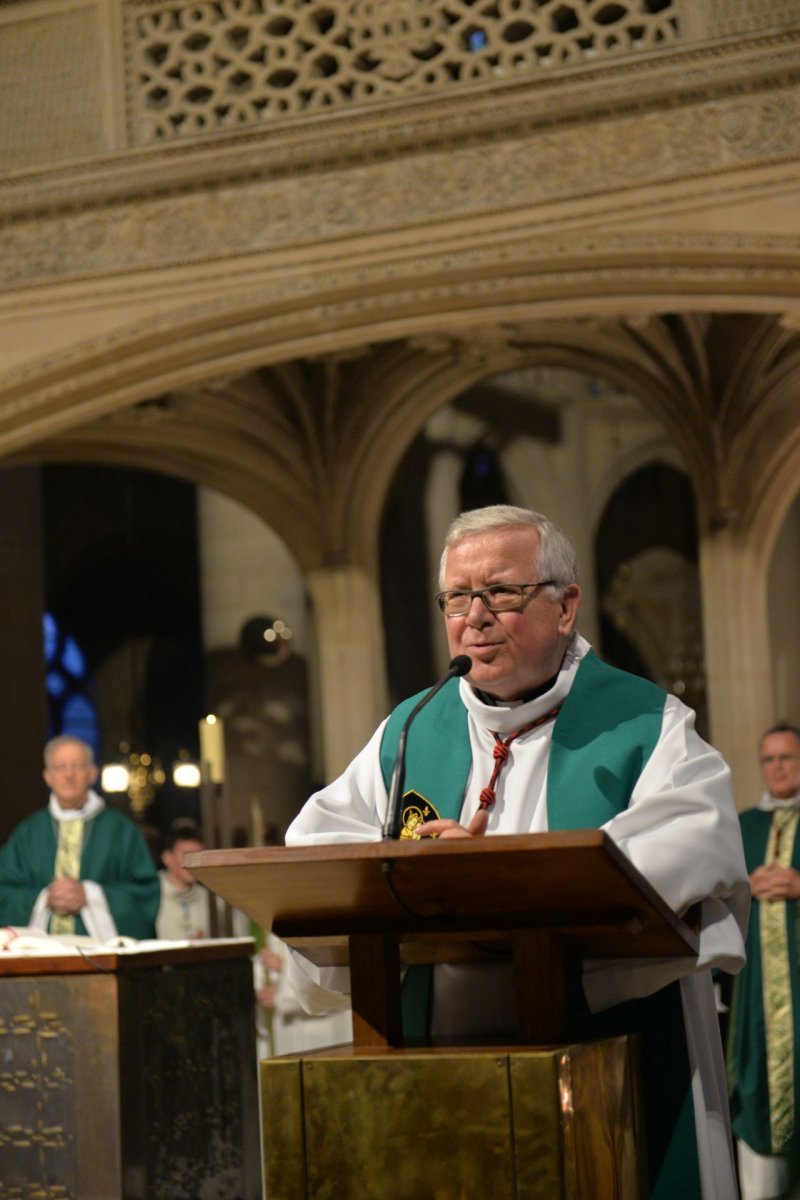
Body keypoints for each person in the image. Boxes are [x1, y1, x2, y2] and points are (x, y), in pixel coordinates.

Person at [285, 504, 750, 1200]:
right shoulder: (412, 727)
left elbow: (692, 841)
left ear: (566, 607)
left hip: (610, 1055)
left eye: (502, 593)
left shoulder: (645, 724)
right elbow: (312, 850)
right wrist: (414, 872)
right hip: (441, 1059)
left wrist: (495, 876)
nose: (475, 616)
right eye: (457, 597)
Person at [727, 724, 800, 1199]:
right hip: (756, 1000)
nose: (777, 767)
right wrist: (742, 892)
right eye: (769, 759)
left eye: (788, 758)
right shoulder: (742, 825)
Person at [0, 734, 160, 940]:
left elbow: (145, 893)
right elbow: (4, 891)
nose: (68, 775)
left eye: (77, 766)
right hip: (39, 958)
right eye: (59, 767)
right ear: (47, 776)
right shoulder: (28, 833)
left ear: (92, 774)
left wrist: (92, 896)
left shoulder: (120, 830)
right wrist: (44, 899)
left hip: (102, 957)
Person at [156, 818, 212, 940]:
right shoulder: (152, 896)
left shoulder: (210, 900)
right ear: (167, 858)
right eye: (188, 855)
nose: (194, 862)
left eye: (199, 855)